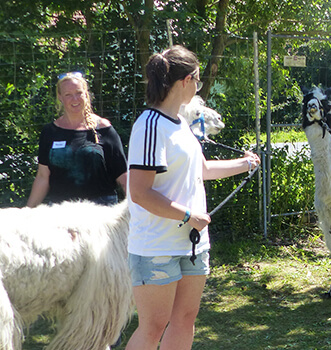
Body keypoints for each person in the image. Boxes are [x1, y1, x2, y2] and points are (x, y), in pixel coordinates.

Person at [125, 45, 260, 350]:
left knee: (185, 318)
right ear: (185, 81)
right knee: (153, 328)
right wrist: (188, 216)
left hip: (192, 243)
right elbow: (140, 192)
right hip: (156, 246)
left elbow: (203, 169)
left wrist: (246, 163)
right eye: (197, 81)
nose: (198, 87)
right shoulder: (148, 126)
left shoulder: (181, 125)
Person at [27, 72, 127, 207]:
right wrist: (28, 211)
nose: (75, 99)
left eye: (79, 93)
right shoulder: (50, 132)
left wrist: (139, 211)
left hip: (101, 213)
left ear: (86, 94)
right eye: (68, 95)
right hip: (59, 213)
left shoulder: (104, 129)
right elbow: (43, 177)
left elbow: (123, 176)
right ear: (60, 97)